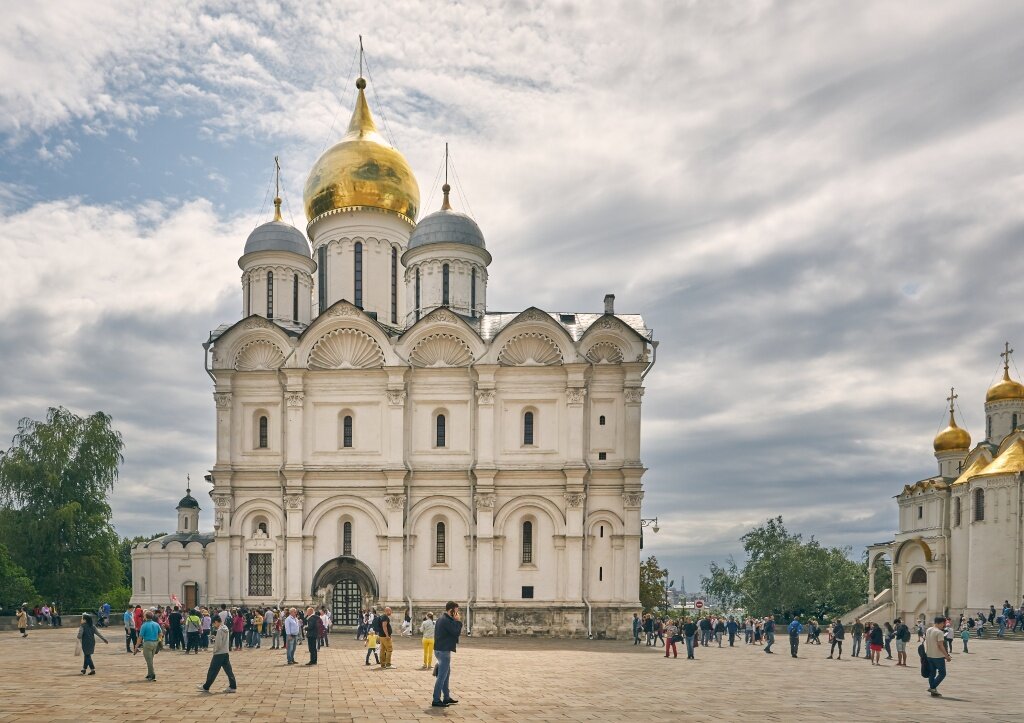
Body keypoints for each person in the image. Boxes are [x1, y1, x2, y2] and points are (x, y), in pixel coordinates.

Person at [431, 601, 462, 708]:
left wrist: (454, 620)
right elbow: (455, 632)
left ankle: (446, 697)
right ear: (451, 610)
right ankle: (436, 699)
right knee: (442, 676)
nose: (457, 613)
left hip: (440, 650)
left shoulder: (442, 619)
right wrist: (458, 621)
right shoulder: (446, 621)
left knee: (446, 674)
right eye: (456, 610)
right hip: (443, 651)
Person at [198, 615, 237, 693]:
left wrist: (215, 650)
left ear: (216, 622)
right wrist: (216, 637)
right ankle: (233, 686)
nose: (214, 625)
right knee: (229, 670)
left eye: (214, 624)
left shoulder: (219, 630)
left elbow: (219, 643)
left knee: (212, 670)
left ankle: (206, 686)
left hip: (219, 653)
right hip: (225, 652)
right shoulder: (225, 628)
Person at [925, 616, 951, 697]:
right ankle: (932, 687)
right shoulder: (939, 632)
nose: (944, 626)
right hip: (938, 656)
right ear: (942, 623)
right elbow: (940, 645)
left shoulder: (928, 629)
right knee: (942, 673)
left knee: (932, 673)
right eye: (944, 624)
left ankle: (933, 691)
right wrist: (946, 656)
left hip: (929, 654)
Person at [139, 611, 162, 681]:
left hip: (147, 643)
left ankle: (152, 674)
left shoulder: (144, 625)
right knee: (150, 659)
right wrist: (159, 640)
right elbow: (160, 633)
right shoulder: (156, 624)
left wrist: (136, 646)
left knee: (149, 660)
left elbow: (140, 637)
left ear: (146, 617)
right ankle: (149, 674)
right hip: (155, 643)